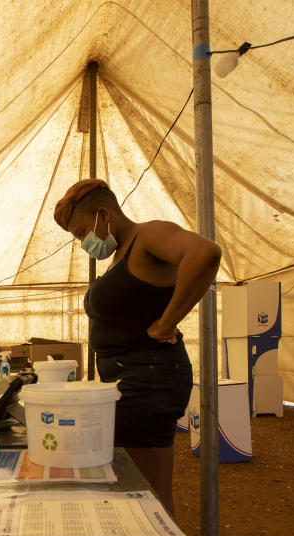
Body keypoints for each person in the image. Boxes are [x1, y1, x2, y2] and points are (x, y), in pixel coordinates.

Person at [53, 179, 221, 517]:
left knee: (147, 491)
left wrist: (168, 321)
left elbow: (205, 253)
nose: (83, 241)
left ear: (104, 214)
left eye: (82, 231)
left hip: (149, 378)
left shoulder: (147, 235)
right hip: (129, 380)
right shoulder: (120, 254)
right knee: (131, 484)